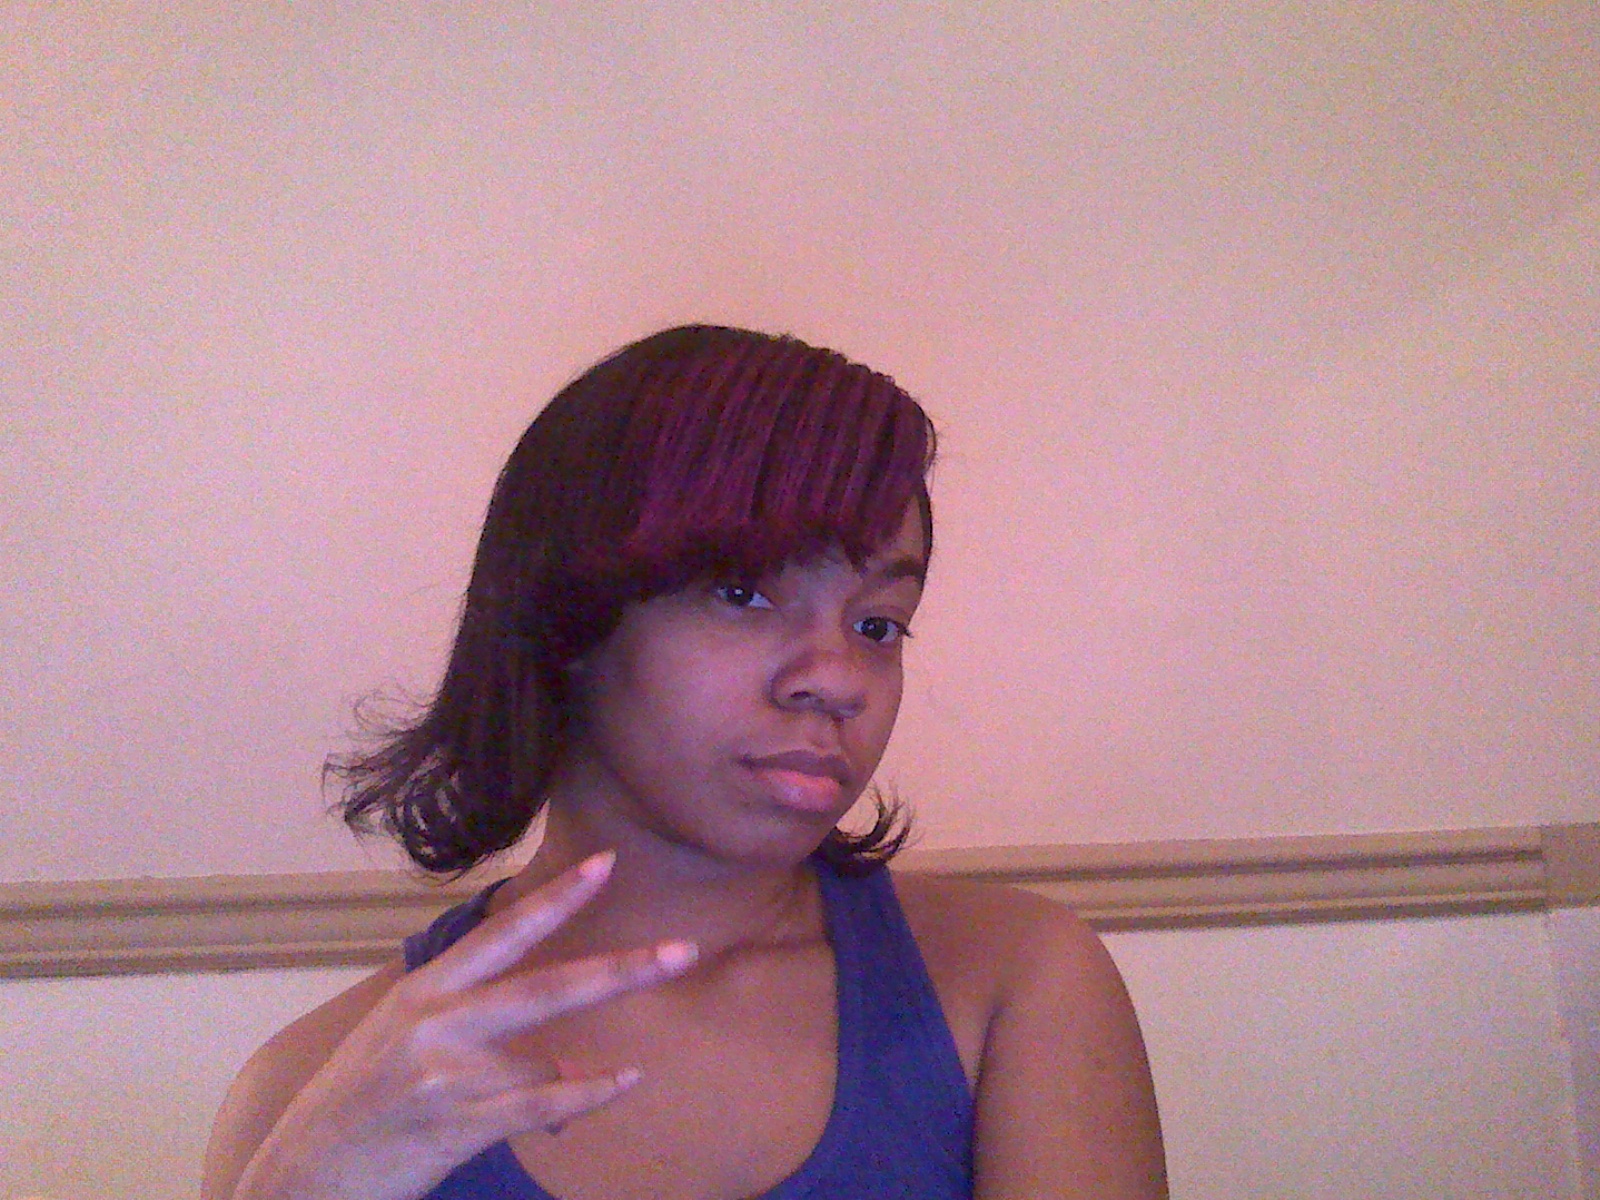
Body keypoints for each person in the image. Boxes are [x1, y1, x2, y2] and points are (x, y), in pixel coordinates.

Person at [201, 325, 1167, 1200]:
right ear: (566, 616)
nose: (839, 678)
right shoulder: (313, 1095)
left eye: (878, 624)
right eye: (744, 593)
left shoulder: (1013, 987)